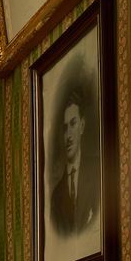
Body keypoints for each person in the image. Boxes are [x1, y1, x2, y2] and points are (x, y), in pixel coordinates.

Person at [48, 87, 97, 237]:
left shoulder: (98, 170)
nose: (68, 135)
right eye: (65, 128)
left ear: (82, 126)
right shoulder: (56, 196)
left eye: (73, 123)